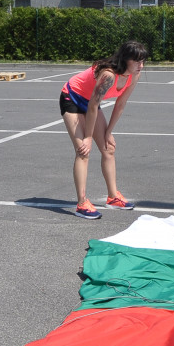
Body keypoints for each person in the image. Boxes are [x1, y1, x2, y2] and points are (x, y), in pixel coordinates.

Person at [60, 40, 149, 219]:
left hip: (90, 102)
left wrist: (108, 132)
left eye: (143, 61)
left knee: (108, 148)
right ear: (126, 59)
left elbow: (121, 103)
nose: (141, 65)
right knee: (83, 151)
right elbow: (93, 105)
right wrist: (87, 137)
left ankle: (113, 197)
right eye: (137, 61)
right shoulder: (108, 75)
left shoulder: (134, 75)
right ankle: (82, 203)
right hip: (72, 98)